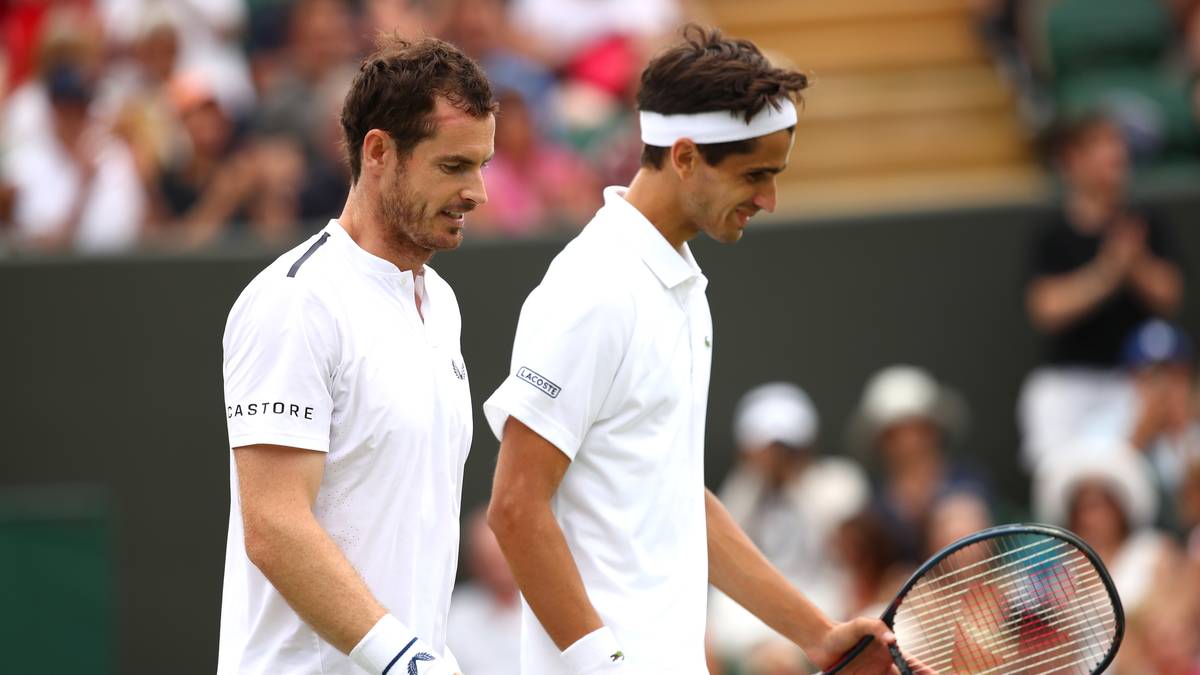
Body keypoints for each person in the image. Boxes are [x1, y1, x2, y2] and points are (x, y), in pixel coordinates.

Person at [484, 25, 902, 675]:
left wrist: (816, 634)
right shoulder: (594, 288)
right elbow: (514, 507)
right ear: (683, 157)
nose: (768, 199)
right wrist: (608, 664)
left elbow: (679, 494)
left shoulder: (679, 284)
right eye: (754, 175)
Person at [218, 34, 495, 675]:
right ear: (378, 152)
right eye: (454, 166)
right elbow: (275, 526)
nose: (477, 192)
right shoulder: (295, 303)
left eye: (481, 165)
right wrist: (406, 659)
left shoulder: (441, 302)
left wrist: (428, 651)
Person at [1019, 113, 1185, 470]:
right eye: (1102, 145)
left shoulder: (1147, 223)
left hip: (1134, 382)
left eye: (1118, 144)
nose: (1116, 156)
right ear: (1072, 160)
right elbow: (1046, 307)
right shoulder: (1052, 234)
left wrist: (1136, 262)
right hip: (1068, 383)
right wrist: (1109, 270)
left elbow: (1170, 295)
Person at [709, 382, 870, 672]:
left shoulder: (838, 483)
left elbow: (846, 549)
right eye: (769, 447)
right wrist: (757, 476)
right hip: (751, 611)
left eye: (787, 447)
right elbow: (727, 546)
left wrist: (795, 481)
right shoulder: (742, 488)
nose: (778, 457)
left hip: (822, 598)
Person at [446, 508, 522, 675]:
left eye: (503, 557)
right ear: (474, 561)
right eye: (490, 560)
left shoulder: (545, 610)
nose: (499, 569)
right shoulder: (454, 615)